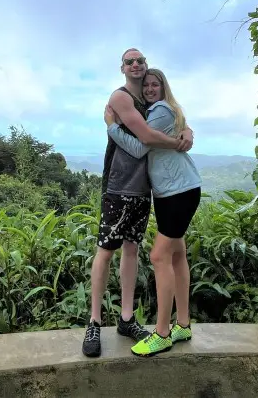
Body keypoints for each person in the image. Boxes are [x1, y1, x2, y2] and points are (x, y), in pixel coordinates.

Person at [82, 49, 194, 358]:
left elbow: (173, 117)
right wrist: (176, 141)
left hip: (144, 190)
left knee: (131, 249)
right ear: (122, 68)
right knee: (105, 251)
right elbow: (144, 141)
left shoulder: (151, 102)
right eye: (129, 61)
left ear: (146, 69)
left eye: (140, 61)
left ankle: (127, 318)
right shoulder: (120, 99)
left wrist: (186, 129)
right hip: (119, 187)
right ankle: (93, 321)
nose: (135, 64)